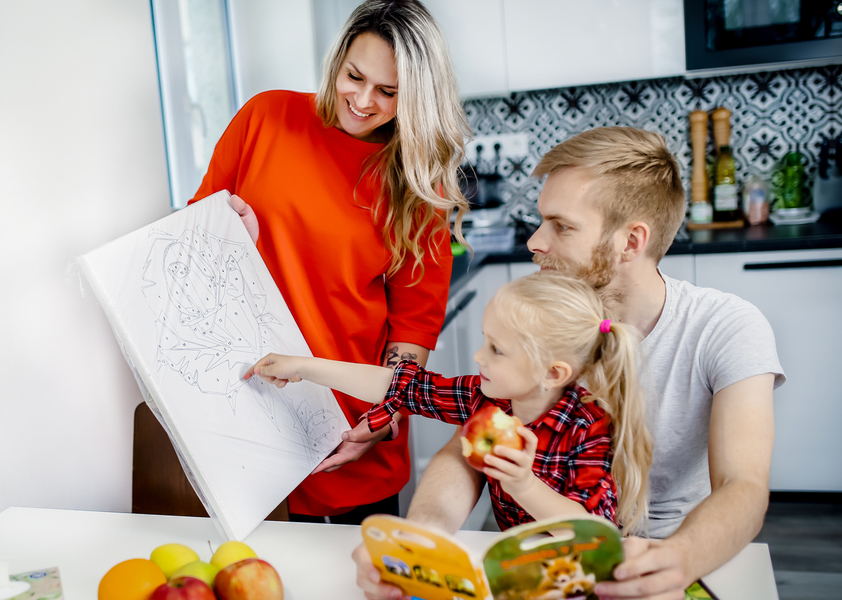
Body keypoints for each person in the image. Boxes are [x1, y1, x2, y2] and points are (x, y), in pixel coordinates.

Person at [352, 127, 784, 600]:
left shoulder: (725, 327)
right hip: (537, 562)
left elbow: (742, 486)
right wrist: (421, 540)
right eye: (542, 221)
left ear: (631, 241)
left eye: (561, 226)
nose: (535, 242)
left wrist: (680, 558)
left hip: (668, 556)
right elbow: (469, 448)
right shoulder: (541, 317)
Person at [189, 0, 472, 524]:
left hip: (349, 427)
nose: (362, 101)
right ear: (337, 60)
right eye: (354, 76)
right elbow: (194, 243)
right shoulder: (266, 118)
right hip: (244, 413)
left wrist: (381, 419)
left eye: (388, 92)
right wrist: (229, 235)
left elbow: (412, 329)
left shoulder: (417, 184)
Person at [245, 271, 653, 534]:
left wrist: (523, 485)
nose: (479, 356)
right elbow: (398, 385)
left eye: (496, 349)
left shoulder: (589, 426)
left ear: (553, 373)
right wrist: (305, 366)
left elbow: (594, 533)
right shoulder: (488, 400)